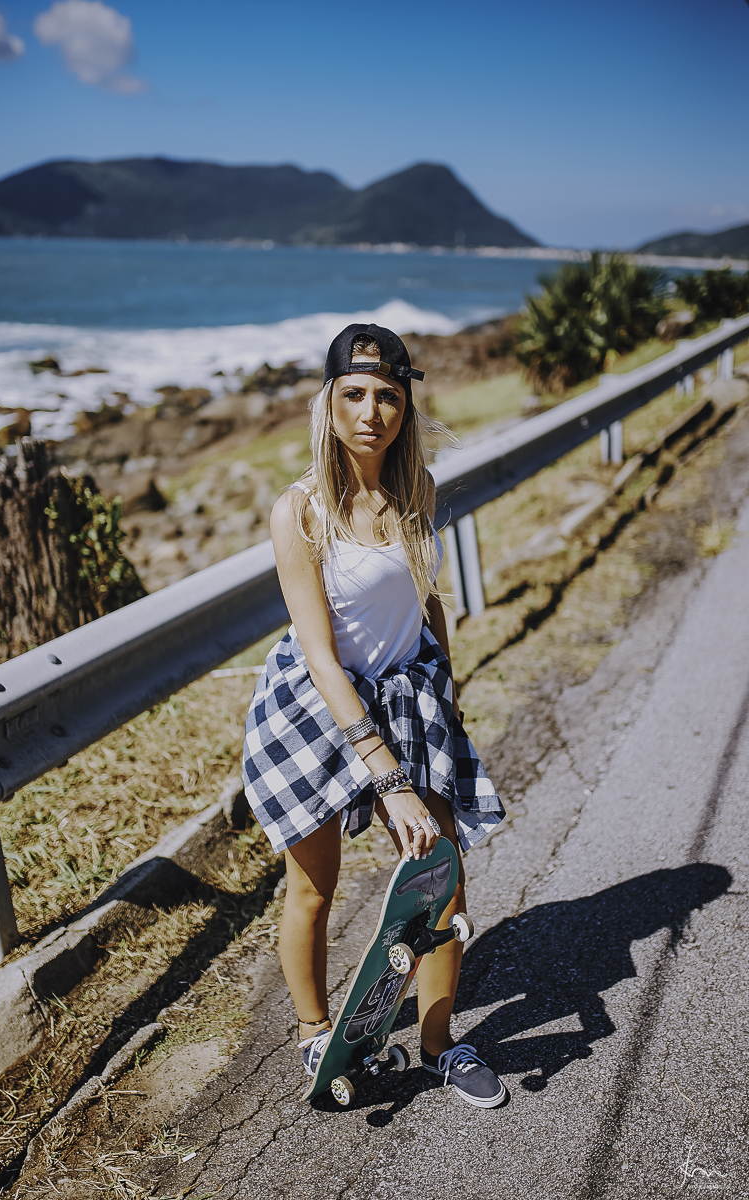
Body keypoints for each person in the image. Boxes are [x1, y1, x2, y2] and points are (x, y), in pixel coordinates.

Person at [243, 322, 507, 1108]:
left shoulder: (413, 491)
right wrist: (386, 777)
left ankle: (439, 1045)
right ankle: (315, 1032)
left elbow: (429, 603)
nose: (371, 412)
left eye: (387, 396)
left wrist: (447, 693)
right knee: (312, 889)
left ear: (405, 406)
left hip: (407, 697)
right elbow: (322, 659)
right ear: (328, 403)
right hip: (317, 707)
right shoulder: (299, 512)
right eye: (354, 394)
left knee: (440, 884)